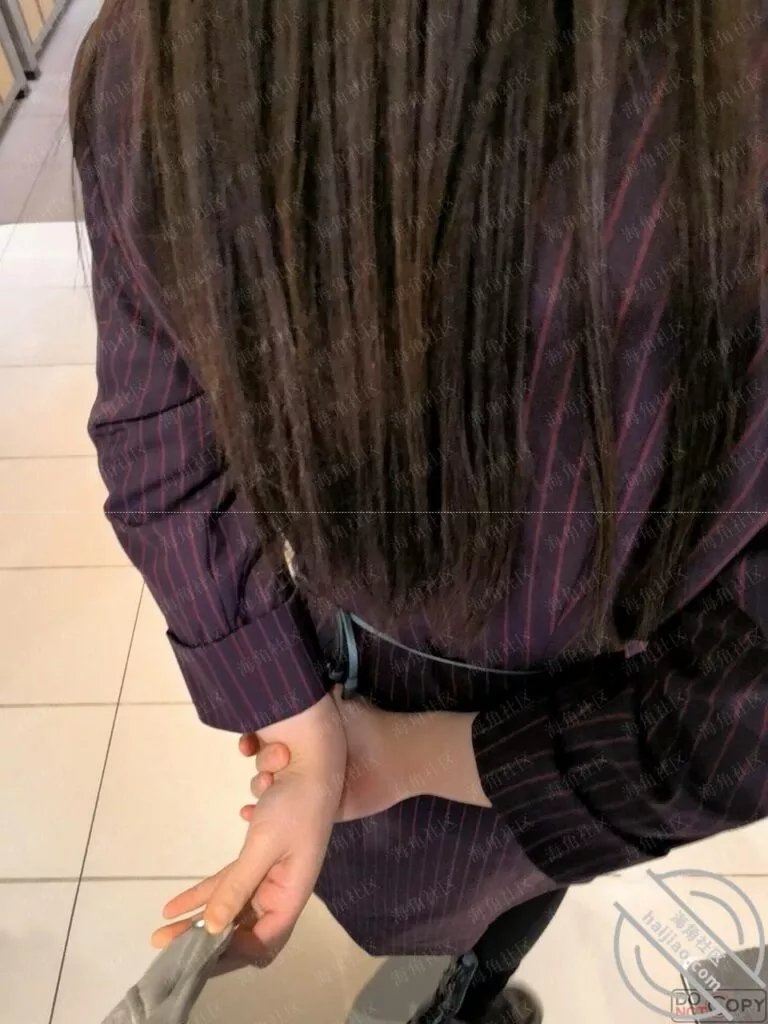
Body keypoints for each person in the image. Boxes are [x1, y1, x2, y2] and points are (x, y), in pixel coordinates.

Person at [70, 1, 768, 1021]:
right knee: (504, 888)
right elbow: (740, 718)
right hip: (574, 714)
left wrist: (320, 736)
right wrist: (342, 743)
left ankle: (467, 990)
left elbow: (162, 438)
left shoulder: (164, 53)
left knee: (473, 899)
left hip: (437, 697)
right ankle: (469, 990)